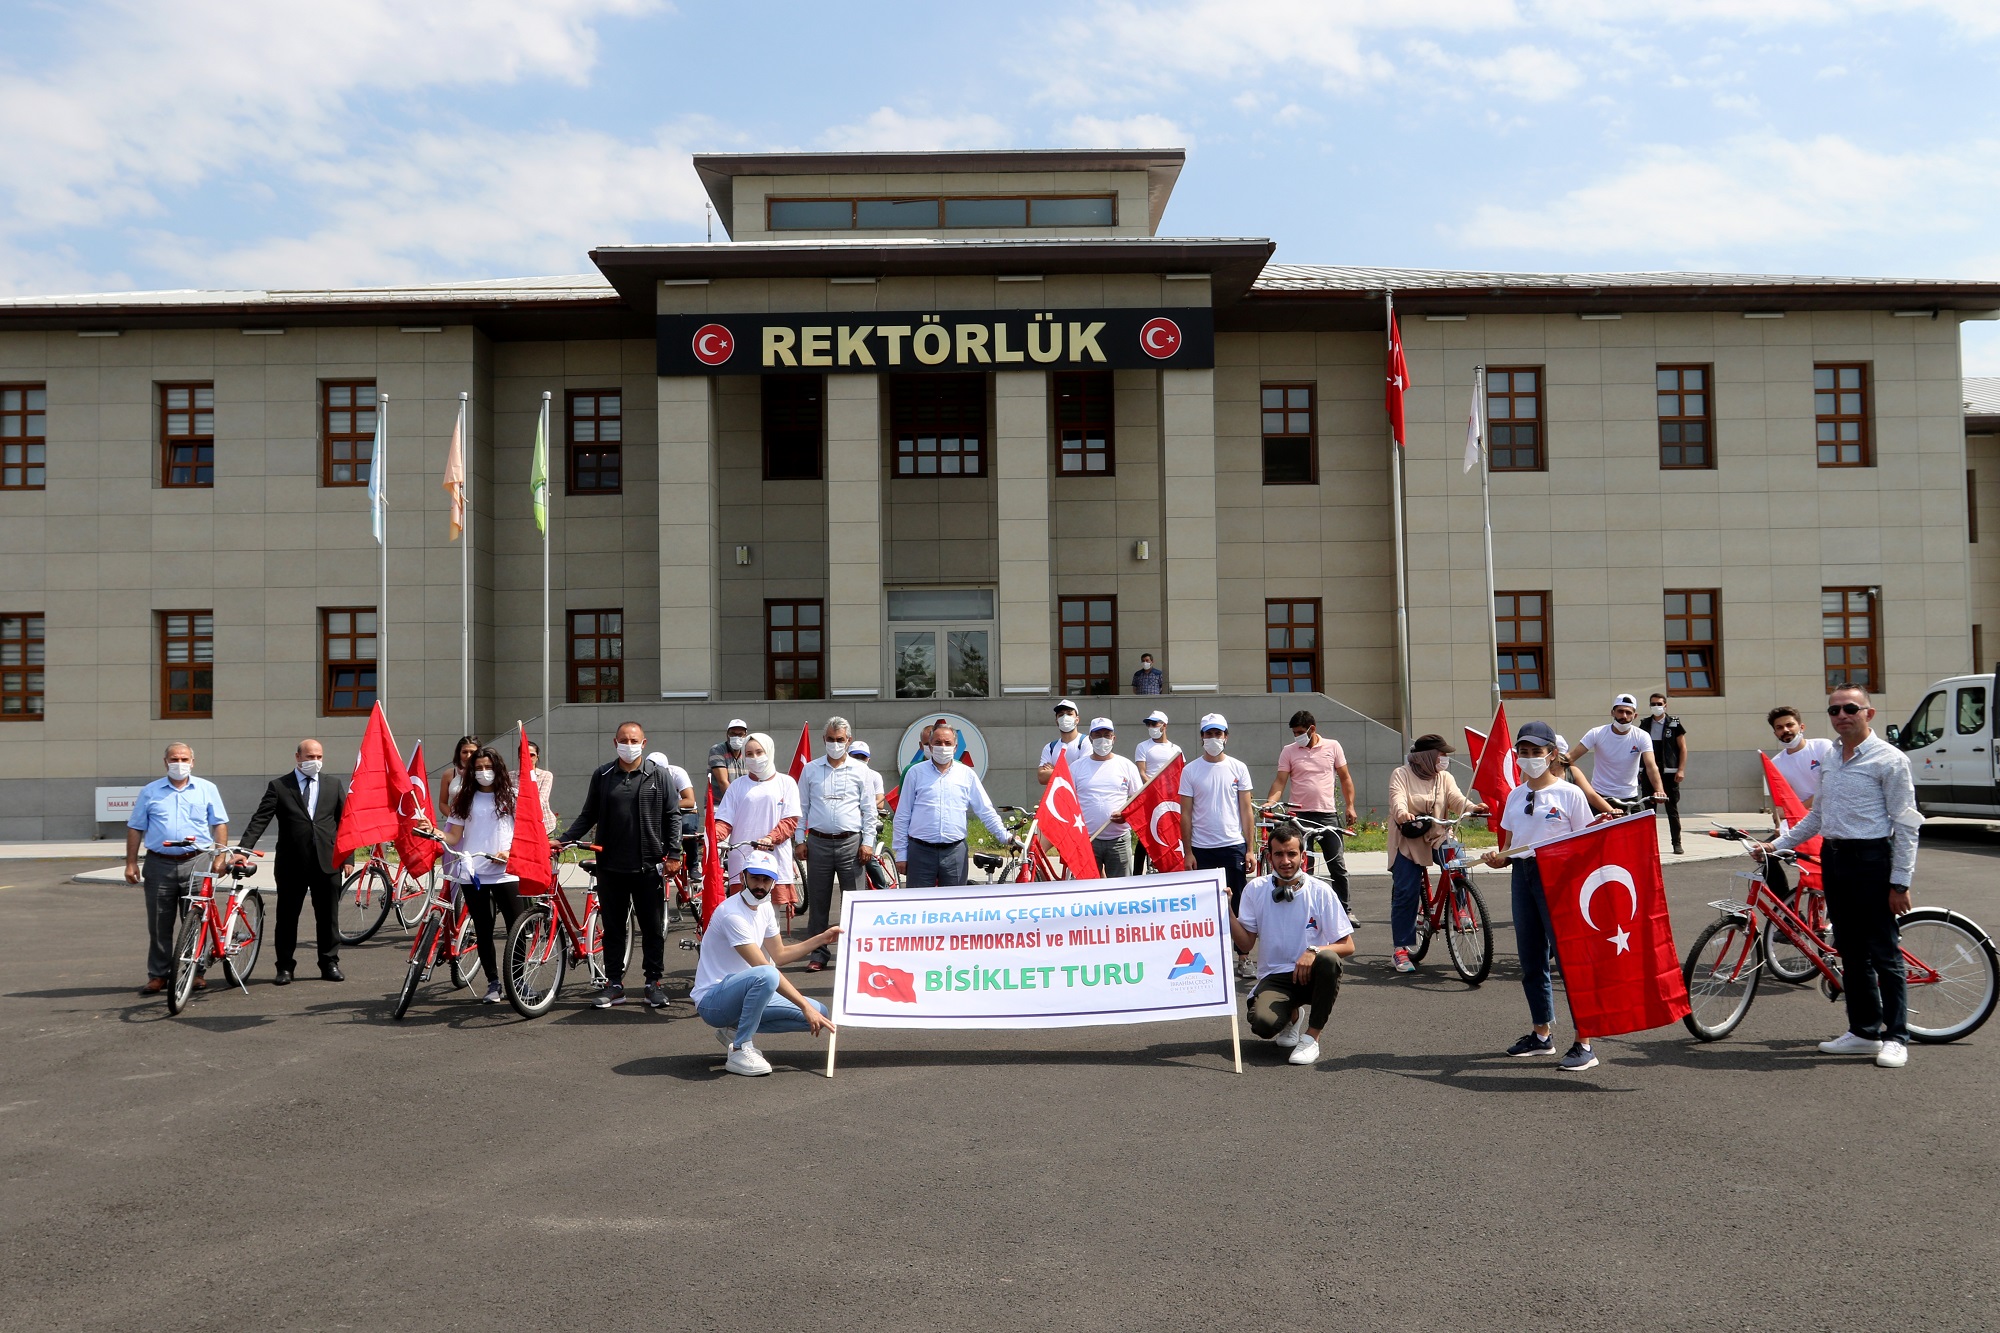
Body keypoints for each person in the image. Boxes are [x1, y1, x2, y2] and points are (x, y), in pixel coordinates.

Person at [1752, 686, 1922, 1070]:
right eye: (1834, 710)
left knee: (1883, 951)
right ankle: (1864, 1031)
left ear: (1869, 713)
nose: (1841, 715)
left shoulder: (1889, 760)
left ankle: (1896, 1036)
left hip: (1873, 858)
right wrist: (1777, 844)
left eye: (1850, 708)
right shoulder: (1830, 756)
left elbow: (1907, 825)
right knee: (1850, 949)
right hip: (1835, 858)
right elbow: (1817, 815)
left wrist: (1900, 882)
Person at [1483, 721, 1599, 1071]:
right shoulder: (1516, 796)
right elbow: (1508, 849)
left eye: (1537, 752)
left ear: (1552, 754)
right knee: (1531, 959)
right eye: (1524, 752)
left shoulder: (1570, 794)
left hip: (1560, 880)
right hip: (1524, 876)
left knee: (1569, 961)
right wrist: (1496, 857)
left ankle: (1585, 1042)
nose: (1530, 758)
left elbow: (1586, 846)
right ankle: (1541, 1034)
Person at [560, 722, 682, 1009]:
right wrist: (565, 839)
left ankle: (653, 983)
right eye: (624, 740)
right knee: (614, 928)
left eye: (634, 739)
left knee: (652, 929)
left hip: (648, 865)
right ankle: (614, 984)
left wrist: (674, 854)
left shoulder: (658, 775)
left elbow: (673, 816)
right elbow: (588, 814)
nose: (629, 744)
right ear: (615, 742)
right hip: (611, 866)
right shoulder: (602, 775)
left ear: (644, 742)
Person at [690, 849, 840, 1077]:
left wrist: (822, 938)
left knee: (821, 1013)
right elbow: (765, 968)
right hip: (713, 1001)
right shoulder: (732, 914)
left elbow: (779, 954)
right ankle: (741, 1046)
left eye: (766, 880)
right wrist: (804, 1005)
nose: (760, 885)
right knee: (768, 976)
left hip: (742, 993)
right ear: (743, 877)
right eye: (755, 878)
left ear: (773, 882)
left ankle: (735, 1030)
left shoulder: (766, 909)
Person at [1230, 820, 1355, 1067]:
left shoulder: (1321, 891)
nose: (1285, 861)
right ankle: (1293, 1016)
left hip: (1312, 973)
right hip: (1276, 975)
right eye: (1279, 854)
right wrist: (1227, 912)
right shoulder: (1255, 889)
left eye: (1291, 854)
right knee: (1262, 1025)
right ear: (1269, 856)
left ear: (1302, 856)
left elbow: (1347, 945)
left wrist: (1313, 950)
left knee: (1329, 959)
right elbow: (1245, 943)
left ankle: (1311, 1038)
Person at [235, 739, 349, 985]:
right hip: (291, 863)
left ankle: (329, 962)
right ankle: (285, 966)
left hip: (327, 861)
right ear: (297, 757)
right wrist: (244, 849)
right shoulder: (279, 786)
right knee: (287, 917)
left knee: (328, 916)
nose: (314, 762)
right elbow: (260, 819)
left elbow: (344, 822)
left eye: (318, 756)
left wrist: (347, 856)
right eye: (309, 757)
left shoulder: (333, 784)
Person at [124, 743, 230, 995]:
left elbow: (220, 824)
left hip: (197, 861)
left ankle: (195, 972)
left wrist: (219, 857)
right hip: (159, 863)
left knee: (195, 920)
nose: (179, 762)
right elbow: (135, 827)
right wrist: (130, 862)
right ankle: (159, 975)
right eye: (174, 758)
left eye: (184, 758)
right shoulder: (150, 792)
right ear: (165, 762)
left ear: (193, 762)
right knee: (159, 923)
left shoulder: (207, 789)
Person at [1386, 735, 1482, 974]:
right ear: (1427, 757)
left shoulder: (1444, 778)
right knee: (1406, 890)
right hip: (1408, 839)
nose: (1445, 760)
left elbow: (1456, 799)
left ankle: (1460, 909)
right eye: (1441, 755)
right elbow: (1397, 800)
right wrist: (1403, 814)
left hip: (1438, 834)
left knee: (1458, 860)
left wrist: (1473, 808)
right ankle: (1400, 949)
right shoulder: (1401, 774)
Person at [434, 746, 523, 1004]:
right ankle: (493, 983)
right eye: (479, 768)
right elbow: (454, 836)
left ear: (498, 769)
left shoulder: (513, 796)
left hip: (507, 874)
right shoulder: (464, 799)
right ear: (471, 772)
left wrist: (509, 852)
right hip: (473, 874)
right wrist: (436, 832)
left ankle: (519, 982)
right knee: (483, 931)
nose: (484, 773)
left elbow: (524, 834)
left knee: (515, 929)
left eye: (489, 767)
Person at [796, 716, 878, 972]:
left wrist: (868, 842)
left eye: (840, 740)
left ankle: (854, 954)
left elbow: (869, 809)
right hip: (818, 842)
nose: (835, 744)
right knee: (819, 902)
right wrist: (800, 839)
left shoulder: (861, 770)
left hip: (851, 844)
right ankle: (818, 954)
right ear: (824, 740)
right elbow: (801, 807)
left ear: (848, 740)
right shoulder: (810, 769)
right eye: (830, 740)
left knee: (854, 901)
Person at [1178, 713, 1257, 978]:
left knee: (1236, 905)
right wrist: (1187, 851)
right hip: (1202, 849)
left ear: (1226, 736)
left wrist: (1250, 848)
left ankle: (1243, 957)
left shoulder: (1238, 767)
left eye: (1218, 733)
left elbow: (1247, 811)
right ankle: (1207, 957)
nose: (1213, 739)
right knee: (1204, 904)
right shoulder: (1190, 770)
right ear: (1201, 737)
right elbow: (1185, 814)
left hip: (1233, 845)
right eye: (1208, 734)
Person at [893, 720, 1015, 887]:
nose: (943, 746)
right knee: (919, 906)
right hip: (920, 852)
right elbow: (903, 814)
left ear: (955, 747)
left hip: (955, 853)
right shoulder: (915, 773)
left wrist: (1005, 836)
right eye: (937, 743)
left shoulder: (967, 774)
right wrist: (901, 853)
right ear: (929, 746)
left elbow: (985, 810)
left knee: (953, 906)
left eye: (947, 743)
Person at [1264, 710, 1357, 909]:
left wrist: (1350, 806)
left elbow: (1345, 778)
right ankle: (1305, 907)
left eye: (1299, 732)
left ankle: (1345, 910)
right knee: (1304, 865)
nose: (1296, 736)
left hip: (1327, 815)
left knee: (1337, 864)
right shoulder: (1289, 750)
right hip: (1299, 816)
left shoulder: (1333, 746)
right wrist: (1271, 802)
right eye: (1294, 733)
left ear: (1312, 729)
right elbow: (1280, 781)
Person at [713, 732, 802, 917]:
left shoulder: (786, 783)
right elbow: (724, 821)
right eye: (749, 754)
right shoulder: (737, 786)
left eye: (759, 752)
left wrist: (771, 838)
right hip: (742, 860)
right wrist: (711, 836)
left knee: (770, 921)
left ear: (769, 752)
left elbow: (790, 821)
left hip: (774, 860)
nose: (754, 758)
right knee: (741, 920)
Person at [1567, 694, 1666, 817]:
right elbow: (1571, 757)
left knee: (1635, 834)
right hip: (1600, 797)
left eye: (1628, 712)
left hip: (1629, 798)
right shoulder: (1597, 733)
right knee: (1599, 835)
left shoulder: (1642, 736)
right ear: (1612, 713)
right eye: (1620, 711)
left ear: (1635, 716)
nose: (1624, 716)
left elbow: (1651, 766)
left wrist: (1659, 790)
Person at [1074, 718, 1143, 878]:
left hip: (1118, 840)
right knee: (1088, 891)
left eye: (1107, 735)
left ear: (1114, 738)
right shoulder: (1077, 767)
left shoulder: (1126, 766)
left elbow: (1139, 801)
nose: (1102, 739)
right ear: (1090, 738)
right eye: (1098, 735)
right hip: (1087, 841)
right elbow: (1066, 802)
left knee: (1121, 892)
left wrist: (1126, 814)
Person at [1640, 692, 1688, 854]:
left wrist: (1681, 769)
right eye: (1653, 704)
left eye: (1659, 704)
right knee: (1649, 810)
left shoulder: (1674, 723)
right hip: (1649, 771)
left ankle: (1677, 843)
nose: (1656, 707)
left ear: (1665, 705)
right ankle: (1649, 845)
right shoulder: (1645, 724)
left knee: (1671, 809)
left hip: (1669, 771)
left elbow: (1682, 748)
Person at [1768, 706, 1836, 809]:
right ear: (1775, 733)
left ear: (1802, 727)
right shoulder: (1775, 764)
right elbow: (1783, 800)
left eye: (1789, 725)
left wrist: (1800, 808)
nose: (1785, 730)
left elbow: (1832, 785)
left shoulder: (1823, 746)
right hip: (1804, 820)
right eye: (1779, 727)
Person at [1037, 699, 1088, 786]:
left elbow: (1085, 772)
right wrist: (1071, 770)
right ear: (1056, 721)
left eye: (1069, 714)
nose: (1065, 717)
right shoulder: (1050, 747)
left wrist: (1055, 769)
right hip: (1059, 798)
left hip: (1080, 798)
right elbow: (1042, 777)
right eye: (1061, 715)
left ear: (1077, 719)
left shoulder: (1086, 742)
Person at [707, 718, 751, 804]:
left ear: (745, 735)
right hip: (719, 803)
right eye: (733, 734)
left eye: (740, 734)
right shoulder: (717, 750)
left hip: (744, 803)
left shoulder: (748, 751)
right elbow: (723, 782)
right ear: (727, 734)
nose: (737, 737)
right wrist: (736, 803)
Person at [1134, 709, 1182, 782]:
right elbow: (1142, 773)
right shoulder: (1142, 746)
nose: (1150, 727)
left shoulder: (1176, 749)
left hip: (1171, 791)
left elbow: (1180, 772)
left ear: (1164, 725)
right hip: (1152, 791)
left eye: (1154, 724)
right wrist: (1154, 789)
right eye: (1148, 724)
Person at [525, 740, 559, 836]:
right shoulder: (511, 776)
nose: (528, 758)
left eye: (532, 755)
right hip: (520, 827)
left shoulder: (545, 775)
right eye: (525, 754)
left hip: (544, 827)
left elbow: (541, 800)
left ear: (537, 757)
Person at [440, 734, 479, 810]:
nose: (468, 756)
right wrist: (454, 819)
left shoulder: (485, 773)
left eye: (472, 752)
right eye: (465, 752)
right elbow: (442, 803)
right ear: (459, 753)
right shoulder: (449, 774)